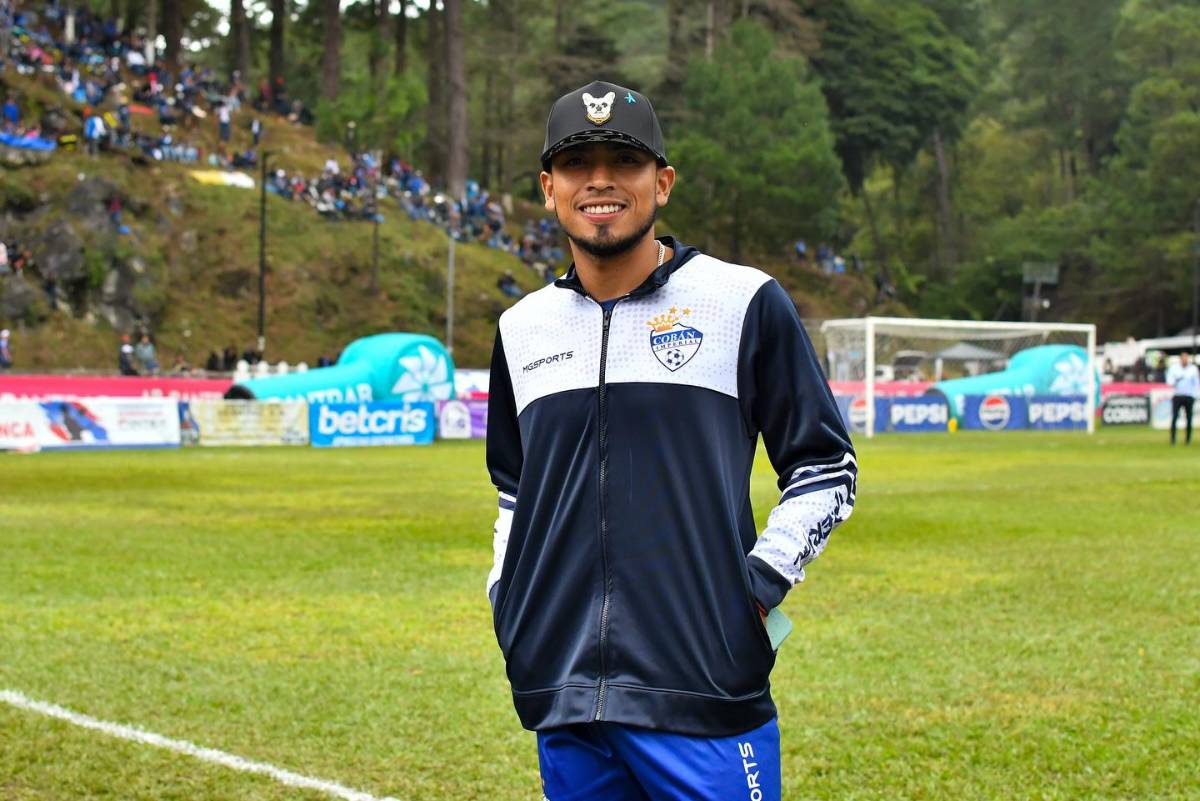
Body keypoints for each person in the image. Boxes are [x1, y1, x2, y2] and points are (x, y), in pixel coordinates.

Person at [484, 80, 856, 801]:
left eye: (623, 161)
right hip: (564, 697)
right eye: (576, 163)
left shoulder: (742, 302)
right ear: (548, 188)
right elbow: (513, 491)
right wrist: (511, 602)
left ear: (662, 182)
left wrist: (754, 588)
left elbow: (825, 465)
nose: (599, 180)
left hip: (704, 690)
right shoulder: (520, 329)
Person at [1166, 352, 1199, 445]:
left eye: (1186, 358)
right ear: (1180, 359)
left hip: (1189, 396)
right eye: (1183, 358)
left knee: (1189, 418)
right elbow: (1170, 381)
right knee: (1175, 417)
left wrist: (1195, 395)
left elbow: (1196, 383)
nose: (1184, 360)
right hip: (1178, 395)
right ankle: (1173, 440)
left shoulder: (1193, 369)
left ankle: (1188, 440)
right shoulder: (1174, 369)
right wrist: (1177, 379)